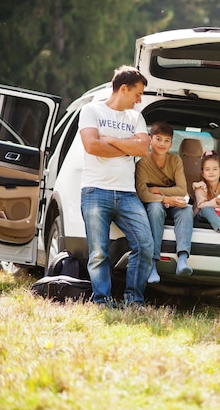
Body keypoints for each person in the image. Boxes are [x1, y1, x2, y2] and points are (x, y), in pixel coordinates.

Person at [79, 65, 154, 308]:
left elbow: (142, 149)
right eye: (137, 93)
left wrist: (110, 139)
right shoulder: (91, 110)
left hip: (127, 194)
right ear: (123, 89)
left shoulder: (136, 117)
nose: (140, 99)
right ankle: (103, 300)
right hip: (94, 190)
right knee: (99, 253)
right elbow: (92, 146)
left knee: (144, 245)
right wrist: (126, 145)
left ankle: (133, 301)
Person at [135, 121, 195, 284]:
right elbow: (143, 194)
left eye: (167, 140)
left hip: (173, 202)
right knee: (155, 208)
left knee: (187, 209)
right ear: (150, 139)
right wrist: (165, 198)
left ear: (171, 143)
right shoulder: (142, 163)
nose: (162, 143)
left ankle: (182, 260)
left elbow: (182, 189)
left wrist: (158, 190)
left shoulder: (175, 161)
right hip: (155, 203)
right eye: (158, 139)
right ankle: (152, 264)